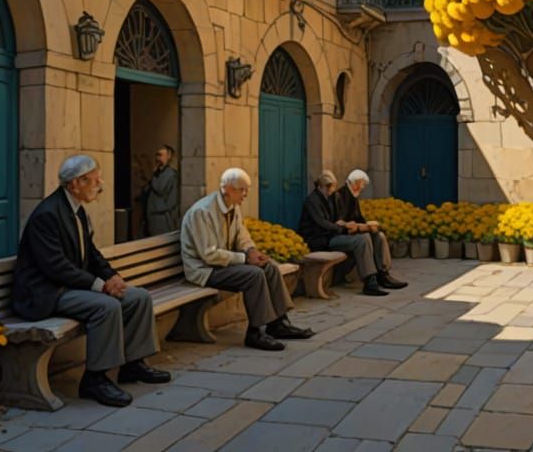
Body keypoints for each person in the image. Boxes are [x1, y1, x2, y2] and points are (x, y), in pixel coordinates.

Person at [11, 155, 170, 408]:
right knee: (105, 307)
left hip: (70, 286)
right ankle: (95, 380)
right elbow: (56, 268)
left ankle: (132, 365)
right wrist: (101, 286)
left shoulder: (76, 209)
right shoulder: (47, 214)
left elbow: (92, 253)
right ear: (76, 183)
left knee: (137, 297)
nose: (101, 185)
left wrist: (112, 276)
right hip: (46, 292)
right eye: (94, 180)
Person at [180, 168, 313, 351]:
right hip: (204, 270)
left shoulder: (233, 206)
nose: (246, 194)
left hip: (223, 264)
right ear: (227, 189)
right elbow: (208, 254)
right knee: (254, 275)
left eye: (246, 189)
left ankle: (278, 324)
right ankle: (255, 333)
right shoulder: (202, 212)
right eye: (241, 189)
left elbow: (242, 234)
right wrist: (244, 259)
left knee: (270, 267)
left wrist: (250, 250)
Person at [297, 170, 392, 297]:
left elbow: (336, 220)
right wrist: (344, 228)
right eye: (332, 187)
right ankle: (370, 281)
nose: (333, 190)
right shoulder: (312, 200)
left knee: (375, 235)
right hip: (320, 240)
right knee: (361, 240)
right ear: (324, 186)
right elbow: (323, 223)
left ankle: (382, 274)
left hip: (331, 235)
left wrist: (345, 224)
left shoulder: (328, 197)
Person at [330, 169, 406, 289]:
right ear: (355, 183)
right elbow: (339, 223)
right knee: (364, 238)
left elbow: (359, 219)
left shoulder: (353, 197)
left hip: (352, 232)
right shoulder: (338, 195)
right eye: (362, 185)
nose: (363, 188)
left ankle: (383, 274)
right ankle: (370, 280)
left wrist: (369, 226)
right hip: (340, 235)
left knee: (379, 236)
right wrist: (362, 227)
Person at [136, 145, 180, 236]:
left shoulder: (170, 174)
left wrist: (152, 175)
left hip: (161, 217)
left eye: (160, 155)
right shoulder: (157, 173)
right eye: (157, 155)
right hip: (151, 215)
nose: (158, 158)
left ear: (169, 156)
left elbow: (160, 189)